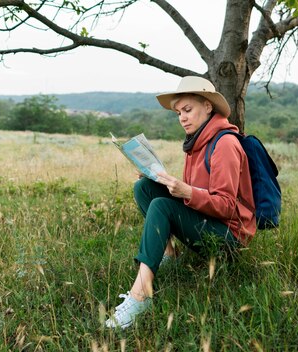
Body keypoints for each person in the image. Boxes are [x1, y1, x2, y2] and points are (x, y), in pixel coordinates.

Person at [104, 76, 256, 329]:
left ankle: (140, 296)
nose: (182, 118)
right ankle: (169, 254)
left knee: (162, 206)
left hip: (228, 239)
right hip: (207, 224)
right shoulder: (197, 142)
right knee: (144, 187)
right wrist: (162, 180)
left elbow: (228, 206)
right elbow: (198, 193)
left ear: (208, 106)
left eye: (188, 110)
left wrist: (187, 192)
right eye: (178, 113)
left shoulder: (225, 144)